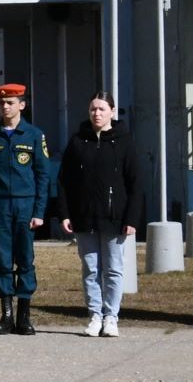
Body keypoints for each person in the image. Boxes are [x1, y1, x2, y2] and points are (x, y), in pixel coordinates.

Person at [58, 92, 141, 338]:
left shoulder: (124, 141)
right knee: (91, 268)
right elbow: (64, 181)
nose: (97, 113)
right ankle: (95, 315)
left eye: (102, 109)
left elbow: (135, 183)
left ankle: (111, 317)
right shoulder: (77, 141)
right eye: (93, 109)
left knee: (114, 269)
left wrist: (132, 219)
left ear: (112, 112)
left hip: (115, 218)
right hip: (84, 217)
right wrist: (65, 213)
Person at [0, 83, 52, 336]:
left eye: (10, 102)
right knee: (3, 259)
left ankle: (24, 315)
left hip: (25, 204)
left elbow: (43, 176)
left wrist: (39, 211)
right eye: (2, 102)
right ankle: (6, 315)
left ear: (22, 104)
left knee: (25, 260)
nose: (5, 106)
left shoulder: (34, 135)